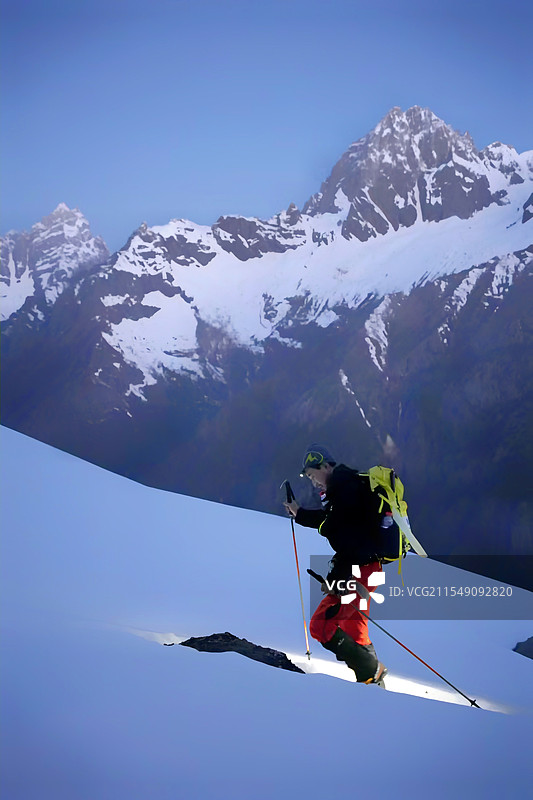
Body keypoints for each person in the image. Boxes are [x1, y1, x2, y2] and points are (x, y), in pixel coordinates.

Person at [284, 443, 391, 685]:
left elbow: (348, 540)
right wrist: (299, 513)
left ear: (324, 465)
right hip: (368, 568)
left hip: (359, 571)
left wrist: (336, 580)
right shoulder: (344, 487)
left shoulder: (345, 489)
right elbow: (333, 522)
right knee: (355, 627)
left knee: (320, 626)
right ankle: (373, 679)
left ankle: (370, 672)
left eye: (313, 475)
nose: (314, 482)